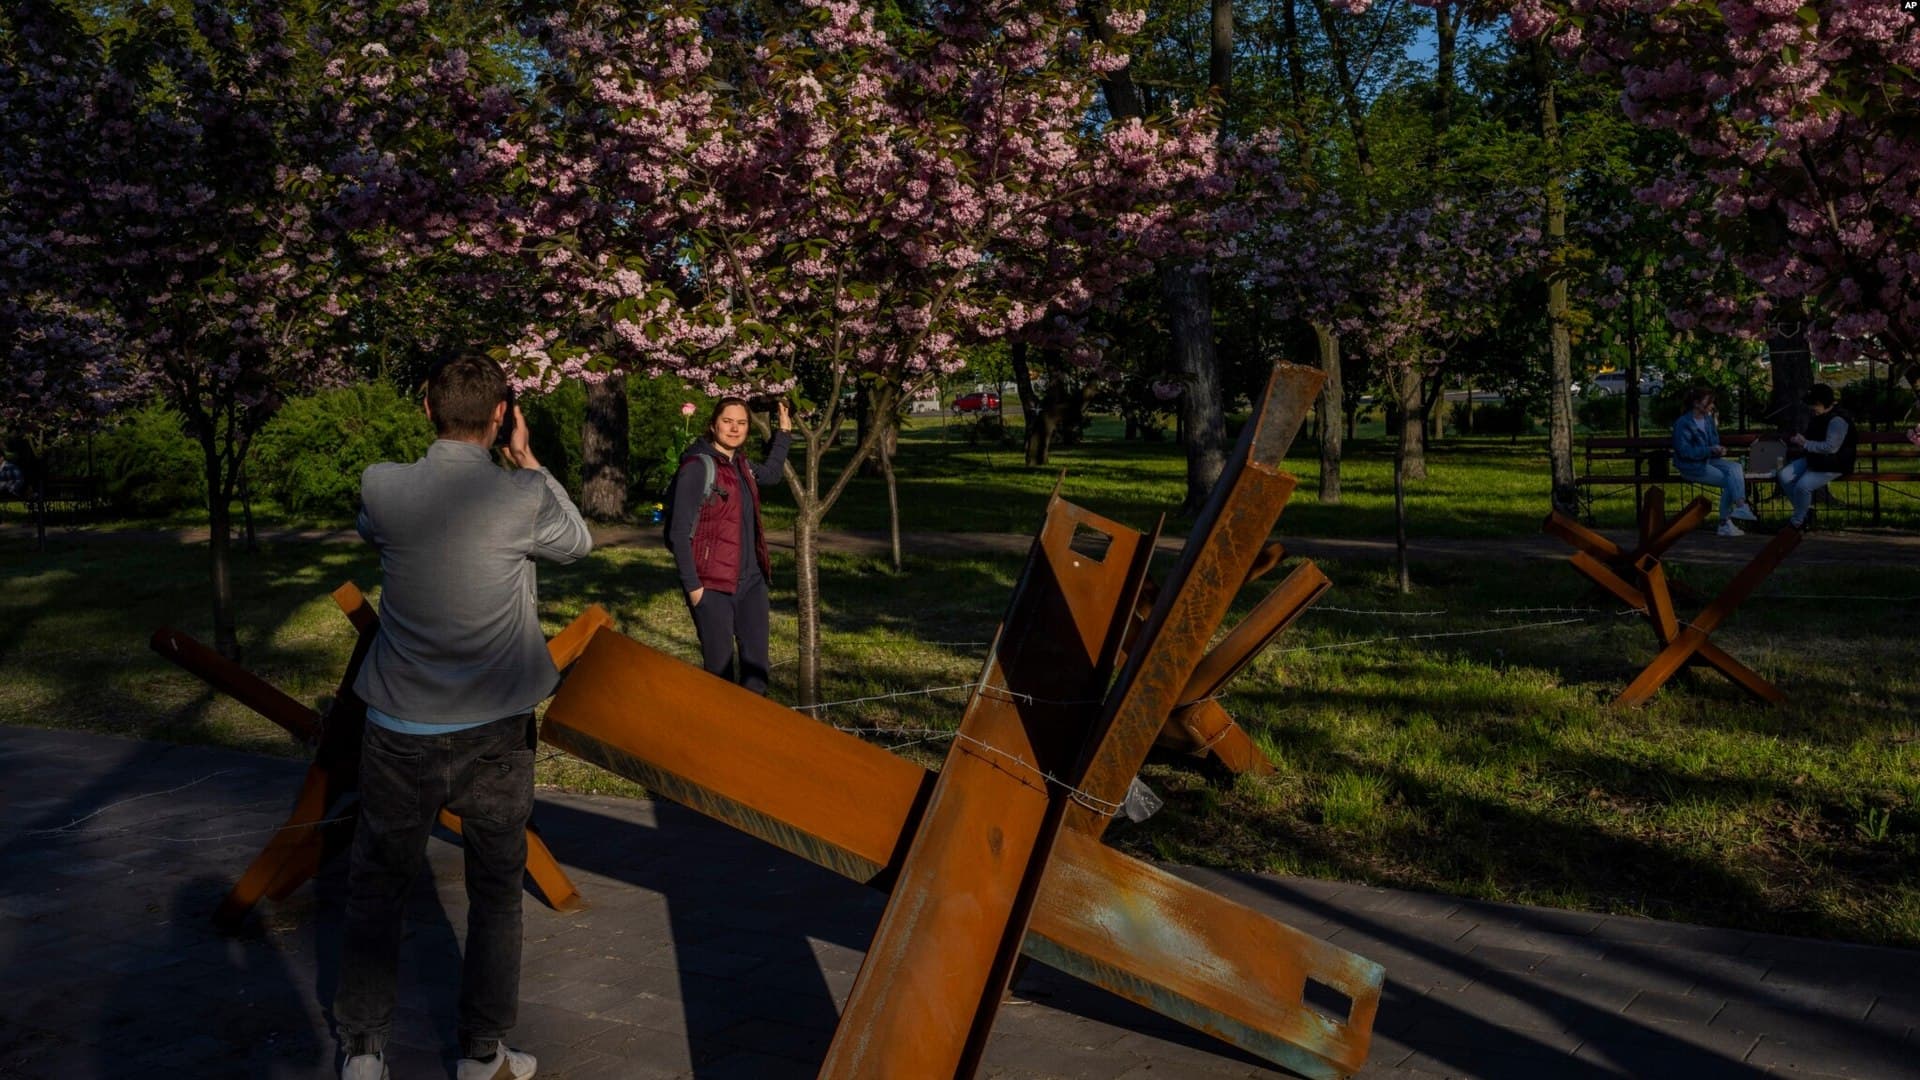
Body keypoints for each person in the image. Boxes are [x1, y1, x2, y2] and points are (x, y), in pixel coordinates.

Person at [336, 355, 592, 1080]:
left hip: (399, 726)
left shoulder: (383, 486)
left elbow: (371, 529)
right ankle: (482, 1053)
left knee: (376, 887)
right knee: (495, 891)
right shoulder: (525, 495)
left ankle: (362, 1050)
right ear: (502, 413)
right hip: (496, 729)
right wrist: (528, 457)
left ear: (425, 409)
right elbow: (578, 544)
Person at [667, 396, 792, 694]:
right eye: (727, 422)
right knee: (719, 676)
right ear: (713, 425)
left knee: (756, 674)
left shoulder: (742, 465)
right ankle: (716, 738)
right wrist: (695, 589)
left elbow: (773, 474)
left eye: (742, 423)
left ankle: (751, 737)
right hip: (712, 588)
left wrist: (783, 432)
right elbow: (678, 533)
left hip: (751, 585)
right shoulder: (697, 468)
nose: (734, 429)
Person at [1670, 386, 1758, 536]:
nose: (1712, 405)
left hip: (1709, 460)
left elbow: (1714, 441)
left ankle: (1741, 508)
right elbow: (1685, 452)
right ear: (1697, 403)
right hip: (1691, 466)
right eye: (1709, 402)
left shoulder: (1708, 420)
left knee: (1735, 468)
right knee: (1731, 480)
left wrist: (1718, 449)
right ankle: (1725, 522)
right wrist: (1710, 450)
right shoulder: (1683, 423)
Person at [1777, 383, 1858, 529]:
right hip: (1816, 459)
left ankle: (1797, 522)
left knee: (1803, 486)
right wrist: (1802, 441)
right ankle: (1804, 513)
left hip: (1835, 463)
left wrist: (1805, 443)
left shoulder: (1837, 420)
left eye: (1814, 405)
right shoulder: (1820, 416)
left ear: (1822, 403)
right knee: (1785, 476)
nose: (1811, 408)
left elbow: (1831, 447)